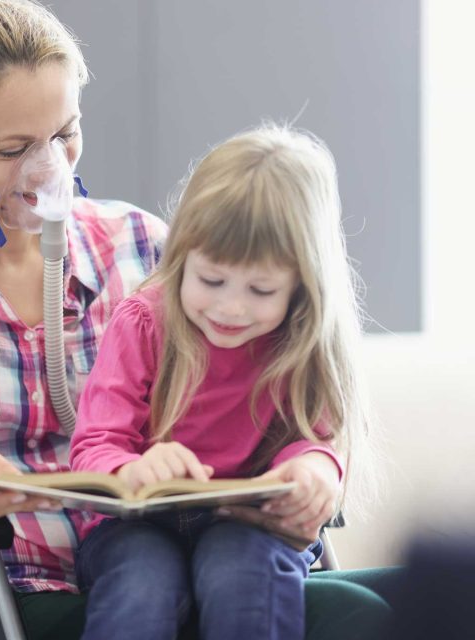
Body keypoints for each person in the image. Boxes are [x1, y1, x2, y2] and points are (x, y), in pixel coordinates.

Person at [0, 2, 394, 638]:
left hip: (183, 562)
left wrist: (312, 472)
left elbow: (282, 382)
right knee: (360, 616)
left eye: (64, 134)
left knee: (391, 600)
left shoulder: (145, 247)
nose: (48, 169)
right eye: (13, 148)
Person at [70, 125, 385, 640]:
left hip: (251, 525)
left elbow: (317, 439)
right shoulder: (144, 323)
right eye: (211, 280)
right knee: (142, 582)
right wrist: (135, 467)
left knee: (242, 572)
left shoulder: (301, 340)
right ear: (180, 258)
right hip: (135, 526)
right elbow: (94, 447)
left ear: (302, 286)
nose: (231, 307)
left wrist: (313, 471)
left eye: (261, 289)